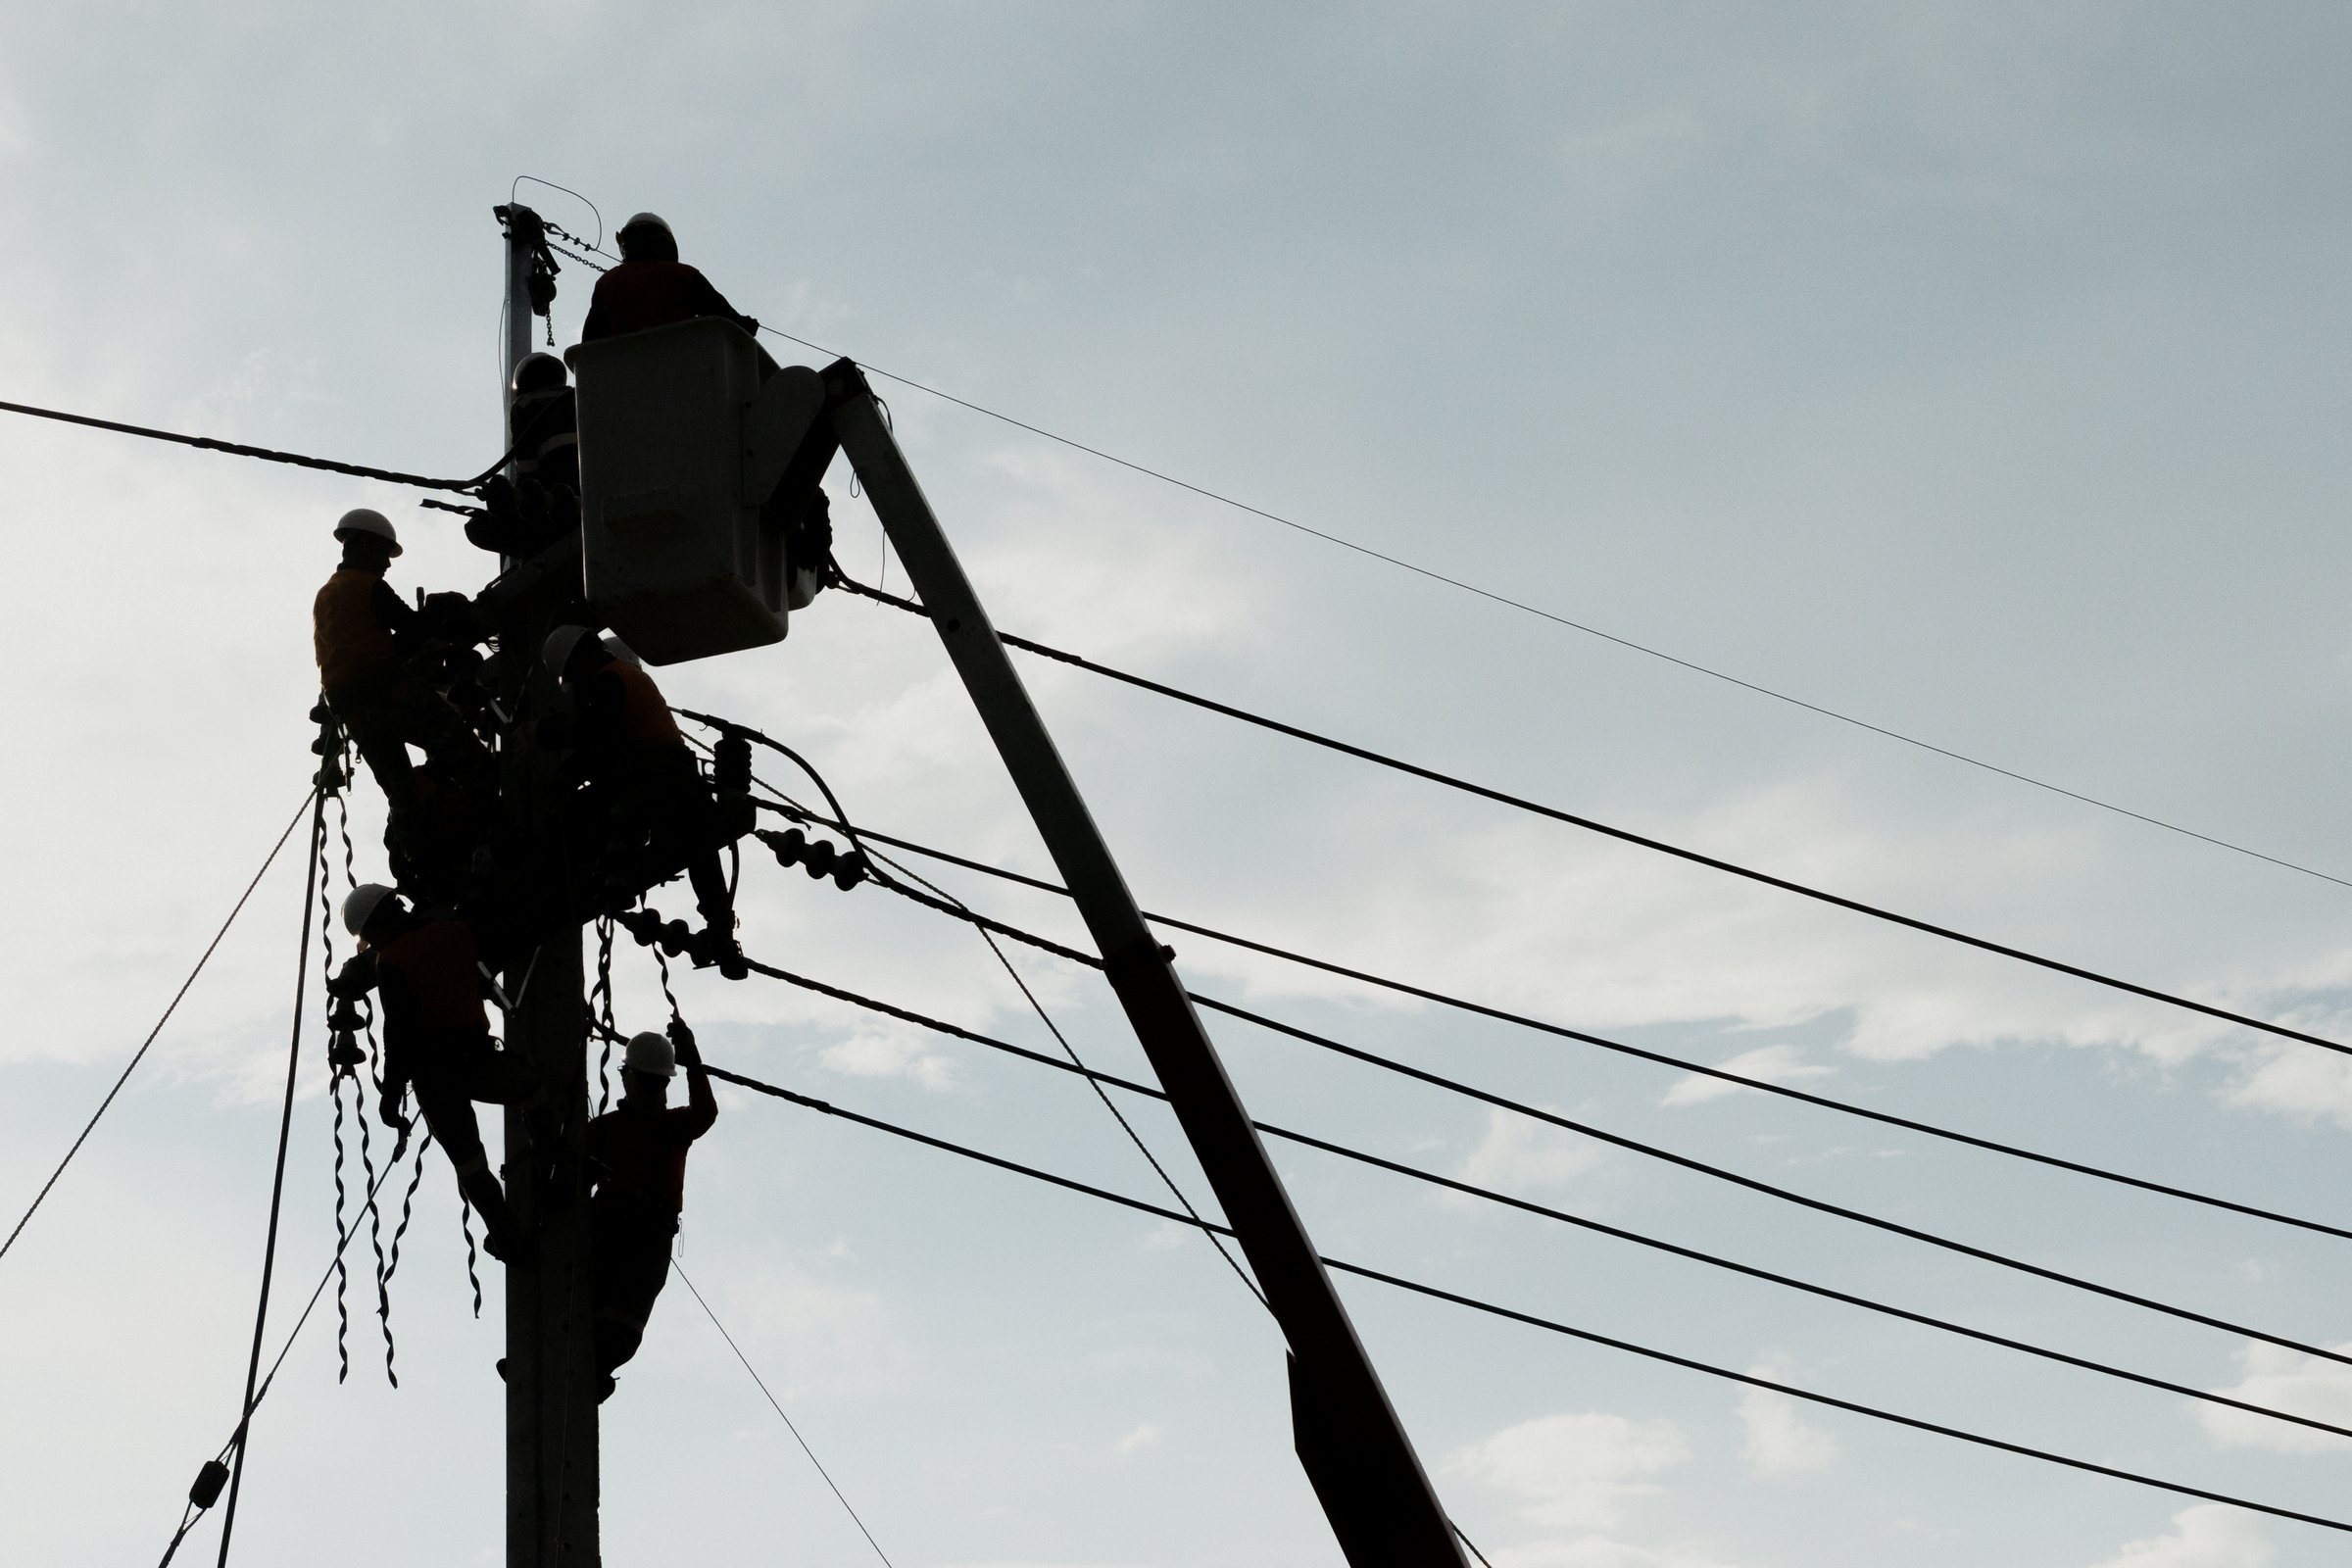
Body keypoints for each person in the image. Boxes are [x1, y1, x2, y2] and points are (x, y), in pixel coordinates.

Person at [328, 883, 535, 1262]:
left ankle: (509, 1238)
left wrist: (390, 1103)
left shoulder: (391, 961)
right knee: (537, 1088)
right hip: (480, 1061)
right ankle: (553, 1161)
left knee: (471, 1166)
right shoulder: (458, 932)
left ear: (377, 924)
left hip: (436, 1080)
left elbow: (399, 1038)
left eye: (368, 934)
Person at [543, 624, 745, 975]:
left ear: (583, 657)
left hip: (652, 779)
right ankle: (722, 935)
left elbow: (596, 740)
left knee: (583, 815)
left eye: (573, 672)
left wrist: (560, 771)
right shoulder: (622, 676)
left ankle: (604, 876)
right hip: (678, 782)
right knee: (698, 849)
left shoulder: (609, 680)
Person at [313, 509, 494, 808]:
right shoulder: (367, 586)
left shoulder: (326, 594)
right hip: (390, 695)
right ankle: (496, 830)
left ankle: (417, 849)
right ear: (359, 544)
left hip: (352, 712)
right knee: (472, 759)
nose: (386, 564)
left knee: (404, 796)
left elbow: (376, 649)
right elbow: (414, 629)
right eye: (382, 554)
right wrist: (441, 608)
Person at [586, 1023, 716, 1398]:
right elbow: (572, 1182)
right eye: (646, 1081)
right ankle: (550, 1353)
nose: (651, 1090)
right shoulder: (604, 1130)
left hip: (648, 1236)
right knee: (587, 1291)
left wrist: (693, 1061)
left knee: (625, 1310)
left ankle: (598, 1367)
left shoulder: (674, 1125)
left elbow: (705, 1112)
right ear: (627, 1078)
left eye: (658, 1083)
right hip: (606, 1229)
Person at [466, 353, 579, 559]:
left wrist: (511, 498)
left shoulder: (524, 405)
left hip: (555, 499)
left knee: (477, 527)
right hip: (589, 496)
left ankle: (535, 552)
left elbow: (527, 469)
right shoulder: (580, 396)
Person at [578, 213, 758, 342]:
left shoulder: (606, 283)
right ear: (664, 241)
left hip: (625, 377)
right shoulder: (684, 275)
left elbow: (590, 342)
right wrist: (747, 324)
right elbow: (726, 317)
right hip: (681, 370)